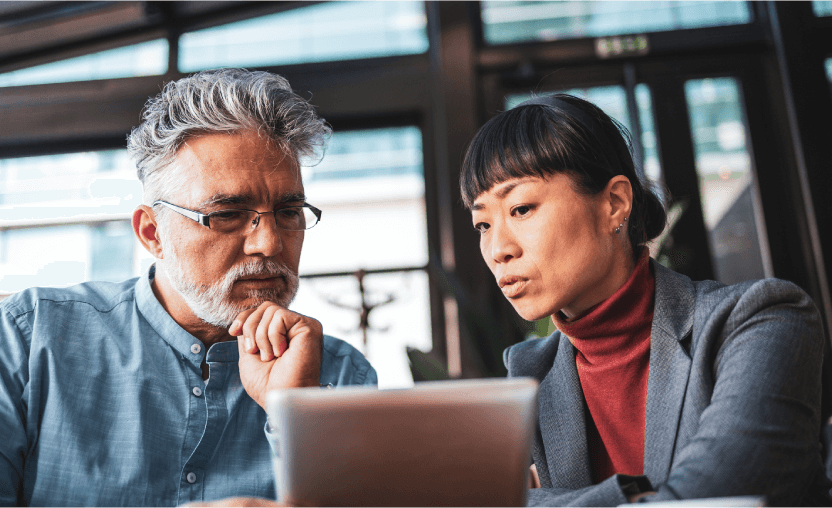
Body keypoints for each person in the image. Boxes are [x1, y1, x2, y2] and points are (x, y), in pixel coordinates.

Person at [0, 69, 376, 507]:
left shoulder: (341, 377)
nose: (269, 242)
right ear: (152, 232)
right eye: (227, 214)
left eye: (288, 212)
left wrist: (295, 417)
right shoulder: (31, 339)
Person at [460, 93, 832, 506]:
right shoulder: (531, 373)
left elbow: (715, 499)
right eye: (482, 224)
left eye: (522, 208)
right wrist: (640, 492)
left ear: (614, 204)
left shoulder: (760, 322)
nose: (498, 249)